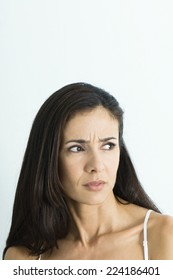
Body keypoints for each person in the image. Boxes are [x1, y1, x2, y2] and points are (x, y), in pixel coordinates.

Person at [3, 82, 173, 260]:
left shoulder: (163, 237)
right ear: (48, 158)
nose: (97, 165)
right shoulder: (23, 259)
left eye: (108, 145)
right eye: (77, 148)